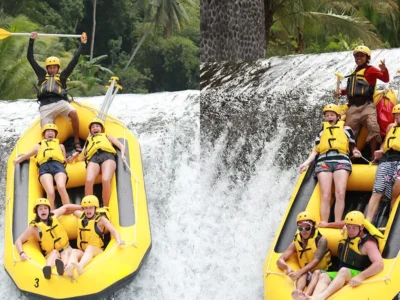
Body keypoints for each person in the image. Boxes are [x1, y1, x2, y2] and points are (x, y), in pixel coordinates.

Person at [296, 211, 384, 300]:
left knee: (343, 271)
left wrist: (360, 276)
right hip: (341, 273)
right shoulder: (347, 230)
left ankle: (321, 297)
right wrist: (327, 225)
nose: (350, 231)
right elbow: (343, 223)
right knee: (323, 276)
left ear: (361, 227)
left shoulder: (368, 244)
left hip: (358, 273)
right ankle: (313, 298)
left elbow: (379, 264)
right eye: (348, 227)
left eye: (354, 228)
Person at [300, 104, 361, 228]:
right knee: (326, 194)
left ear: (338, 116)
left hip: (341, 161)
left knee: (340, 192)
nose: (329, 117)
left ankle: (337, 222)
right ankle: (324, 222)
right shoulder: (322, 132)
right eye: (327, 115)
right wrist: (306, 163)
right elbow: (316, 150)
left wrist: (355, 151)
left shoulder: (346, 129)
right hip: (324, 162)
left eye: (332, 115)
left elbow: (353, 146)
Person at [27, 31, 87, 153]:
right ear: (47, 68)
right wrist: (31, 41)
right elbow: (30, 58)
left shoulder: (63, 76)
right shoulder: (42, 75)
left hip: (59, 102)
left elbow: (73, 61)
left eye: (54, 67)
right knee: (47, 131)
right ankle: (51, 150)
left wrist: (82, 45)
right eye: (50, 67)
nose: (52, 69)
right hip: (45, 106)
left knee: (74, 113)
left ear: (58, 68)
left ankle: (76, 140)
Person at [338, 45, 390, 157]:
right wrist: (341, 92)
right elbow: (350, 90)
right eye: (356, 56)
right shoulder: (354, 72)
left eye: (361, 56)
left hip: (367, 105)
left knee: (373, 126)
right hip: (353, 107)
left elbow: (385, 79)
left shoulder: (371, 70)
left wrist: (384, 70)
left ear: (367, 57)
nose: (358, 58)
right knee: (348, 131)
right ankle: (350, 155)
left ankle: (373, 156)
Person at [15, 198, 81, 279]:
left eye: (45, 208)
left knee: (65, 252)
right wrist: (22, 253)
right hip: (50, 253)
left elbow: (66, 207)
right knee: (54, 252)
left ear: (49, 210)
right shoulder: (34, 228)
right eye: (40, 209)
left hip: (66, 248)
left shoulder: (54, 215)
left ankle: (62, 267)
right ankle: (47, 268)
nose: (43, 211)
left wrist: (81, 207)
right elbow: (18, 240)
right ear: (37, 212)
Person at [63, 195, 124, 277]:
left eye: (91, 208)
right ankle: (70, 267)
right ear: (83, 209)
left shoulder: (101, 220)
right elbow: (69, 209)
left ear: (95, 208)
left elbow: (114, 230)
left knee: (90, 248)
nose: (88, 210)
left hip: (97, 251)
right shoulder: (81, 215)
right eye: (86, 208)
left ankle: (81, 265)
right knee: (74, 251)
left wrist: (119, 240)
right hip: (83, 251)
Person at [71, 118, 126, 207]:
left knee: (105, 179)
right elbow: (82, 158)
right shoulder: (89, 142)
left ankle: (105, 206)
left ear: (101, 129)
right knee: (89, 180)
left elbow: (121, 146)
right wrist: (74, 157)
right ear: (91, 131)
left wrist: (123, 155)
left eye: (97, 126)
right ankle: (89, 206)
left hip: (107, 156)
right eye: (92, 127)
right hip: (94, 158)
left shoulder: (108, 137)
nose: (95, 128)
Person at [14, 124, 71, 209]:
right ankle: (51, 214)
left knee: (61, 187)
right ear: (44, 134)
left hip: (58, 166)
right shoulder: (39, 146)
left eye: (52, 131)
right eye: (48, 131)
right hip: (44, 168)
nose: (50, 133)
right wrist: (18, 160)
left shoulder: (60, 146)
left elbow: (64, 160)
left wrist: (70, 159)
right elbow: (27, 155)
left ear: (55, 134)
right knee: (50, 192)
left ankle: (69, 209)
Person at [277, 212, 332, 299]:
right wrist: (287, 267)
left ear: (313, 226)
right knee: (303, 273)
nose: (304, 231)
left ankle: (306, 295)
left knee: (310, 273)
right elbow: (280, 260)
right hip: (307, 272)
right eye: (300, 228)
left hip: (323, 273)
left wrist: (299, 272)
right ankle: (298, 292)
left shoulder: (321, 241)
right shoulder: (297, 241)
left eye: (307, 228)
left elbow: (315, 261)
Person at [366, 104, 400, 222]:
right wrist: (381, 150)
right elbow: (385, 142)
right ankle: (367, 221)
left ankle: (391, 220)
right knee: (377, 191)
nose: (398, 119)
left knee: (396, 191)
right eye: (396, 116)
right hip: (387, 159)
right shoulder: (391, 127)